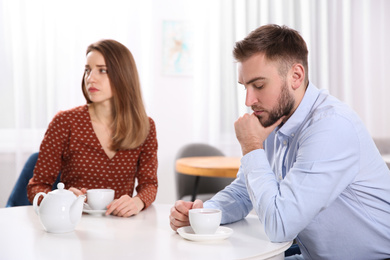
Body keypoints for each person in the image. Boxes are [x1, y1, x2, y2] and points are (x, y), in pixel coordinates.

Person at [169, 24, 390, 259]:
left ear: (296, 76)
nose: (249, 100)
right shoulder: (276, 119)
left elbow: (280, 225)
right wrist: (203, 213)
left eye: (259, 85)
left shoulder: (331, 127)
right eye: (245, 87)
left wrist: (252, 146)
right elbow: (244, 193)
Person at [27, 39, 158, 218]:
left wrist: (138, 201)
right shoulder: (65, 122)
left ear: (123, 75)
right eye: (87, 70)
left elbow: (149, 184)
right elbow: (37, 187)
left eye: (102, 70)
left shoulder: (145, 126)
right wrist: (61, 199)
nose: (90, 78)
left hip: (121, 227)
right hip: (74, 226)